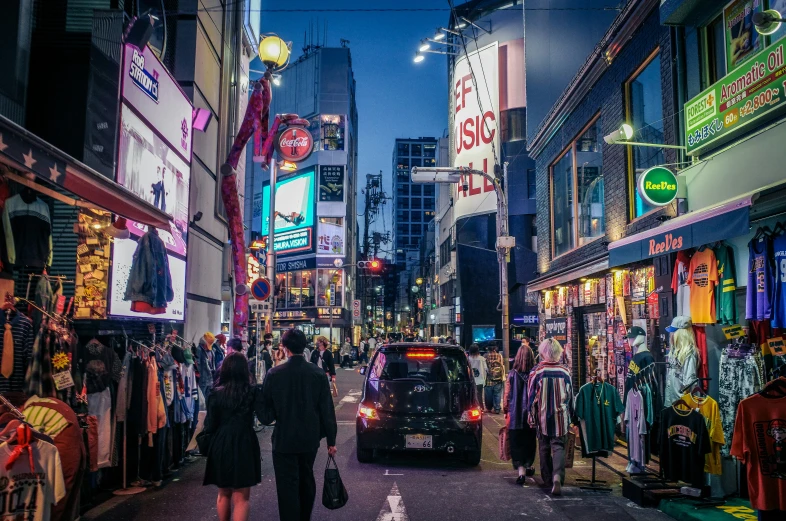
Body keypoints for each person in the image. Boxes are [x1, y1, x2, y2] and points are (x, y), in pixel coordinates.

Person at [261, 329, 338, 521]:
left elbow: (266, 416)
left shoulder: (274, 374)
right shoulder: (317, 373)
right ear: (305, 348)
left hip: (284, 439)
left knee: (287, 485)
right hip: (309, 438)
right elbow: (327, 409)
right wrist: (331, 440)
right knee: (306, 477)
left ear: (285, 348)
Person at [202, 353, 265, 521]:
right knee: (242, 498)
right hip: (244, 441)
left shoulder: (215, 393)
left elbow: (210, 424)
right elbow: (264, 416)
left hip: (221, 442)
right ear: (245, 370)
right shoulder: (252, 391)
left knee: (223, 493)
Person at [528, 338, 576, 496]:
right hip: (560, 417)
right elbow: (570, 397)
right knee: (558, 447)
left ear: (542, 353)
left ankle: (547, 479)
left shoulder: (537, 372)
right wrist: (571, 416)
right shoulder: (565, 372)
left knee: (544, 447)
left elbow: (531, 398)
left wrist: (531, 417)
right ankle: (557, 477)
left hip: (542, 417)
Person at [504, 341, 537, 485]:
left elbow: (507, 396)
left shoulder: (511, 375)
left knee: (517, 444)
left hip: (515, 416)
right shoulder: (535, 374)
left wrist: (506, 410)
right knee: (529, 442)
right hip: (531, 417)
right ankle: (529, 465)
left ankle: (521, 472)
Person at [484, 345, 505, 414]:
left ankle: (489, 408)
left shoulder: (485, 356)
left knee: (488, 395)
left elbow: (485, 368)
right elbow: (502, 365)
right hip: (498, 379)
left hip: (489, 379)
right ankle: (497, 408)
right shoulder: (499, 356)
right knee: (497, 394)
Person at [467, 344, 488, 408]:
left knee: (471, 395)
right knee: (479, 395)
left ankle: (472, 407)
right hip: (480, 380)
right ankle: (481, 407)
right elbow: (486, 369)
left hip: (471, 380)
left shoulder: (468, 359)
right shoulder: (482, 359)